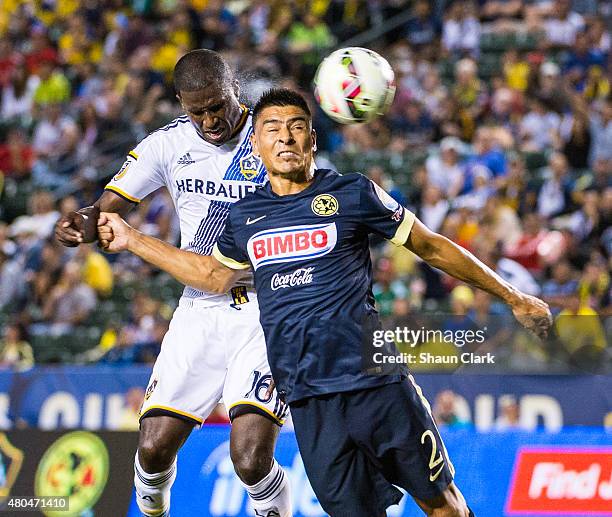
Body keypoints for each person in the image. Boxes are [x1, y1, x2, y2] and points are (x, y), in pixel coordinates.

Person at [98, 88, 553, 517]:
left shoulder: (352, 192)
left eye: (296, 126)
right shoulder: (244, 217)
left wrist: (513, 297)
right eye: (272, 128)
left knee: (444, 505)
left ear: (312, 138)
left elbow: (430, 246)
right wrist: (133, 239)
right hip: (310, 403)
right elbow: (213, 276)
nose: (285, 137)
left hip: (377, 385)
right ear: (255, 144)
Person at [54, 50, 291, 517]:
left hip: (268, 309)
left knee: (249, 457)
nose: (209, 120)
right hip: (199, 308)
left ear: (234, 92)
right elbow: (106, 206)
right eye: (196, 110)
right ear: (181, 103)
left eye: (217, 106)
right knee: (154, 449)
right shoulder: (166, 144)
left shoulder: (272, 137)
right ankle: (152, 510)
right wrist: (81, 222)